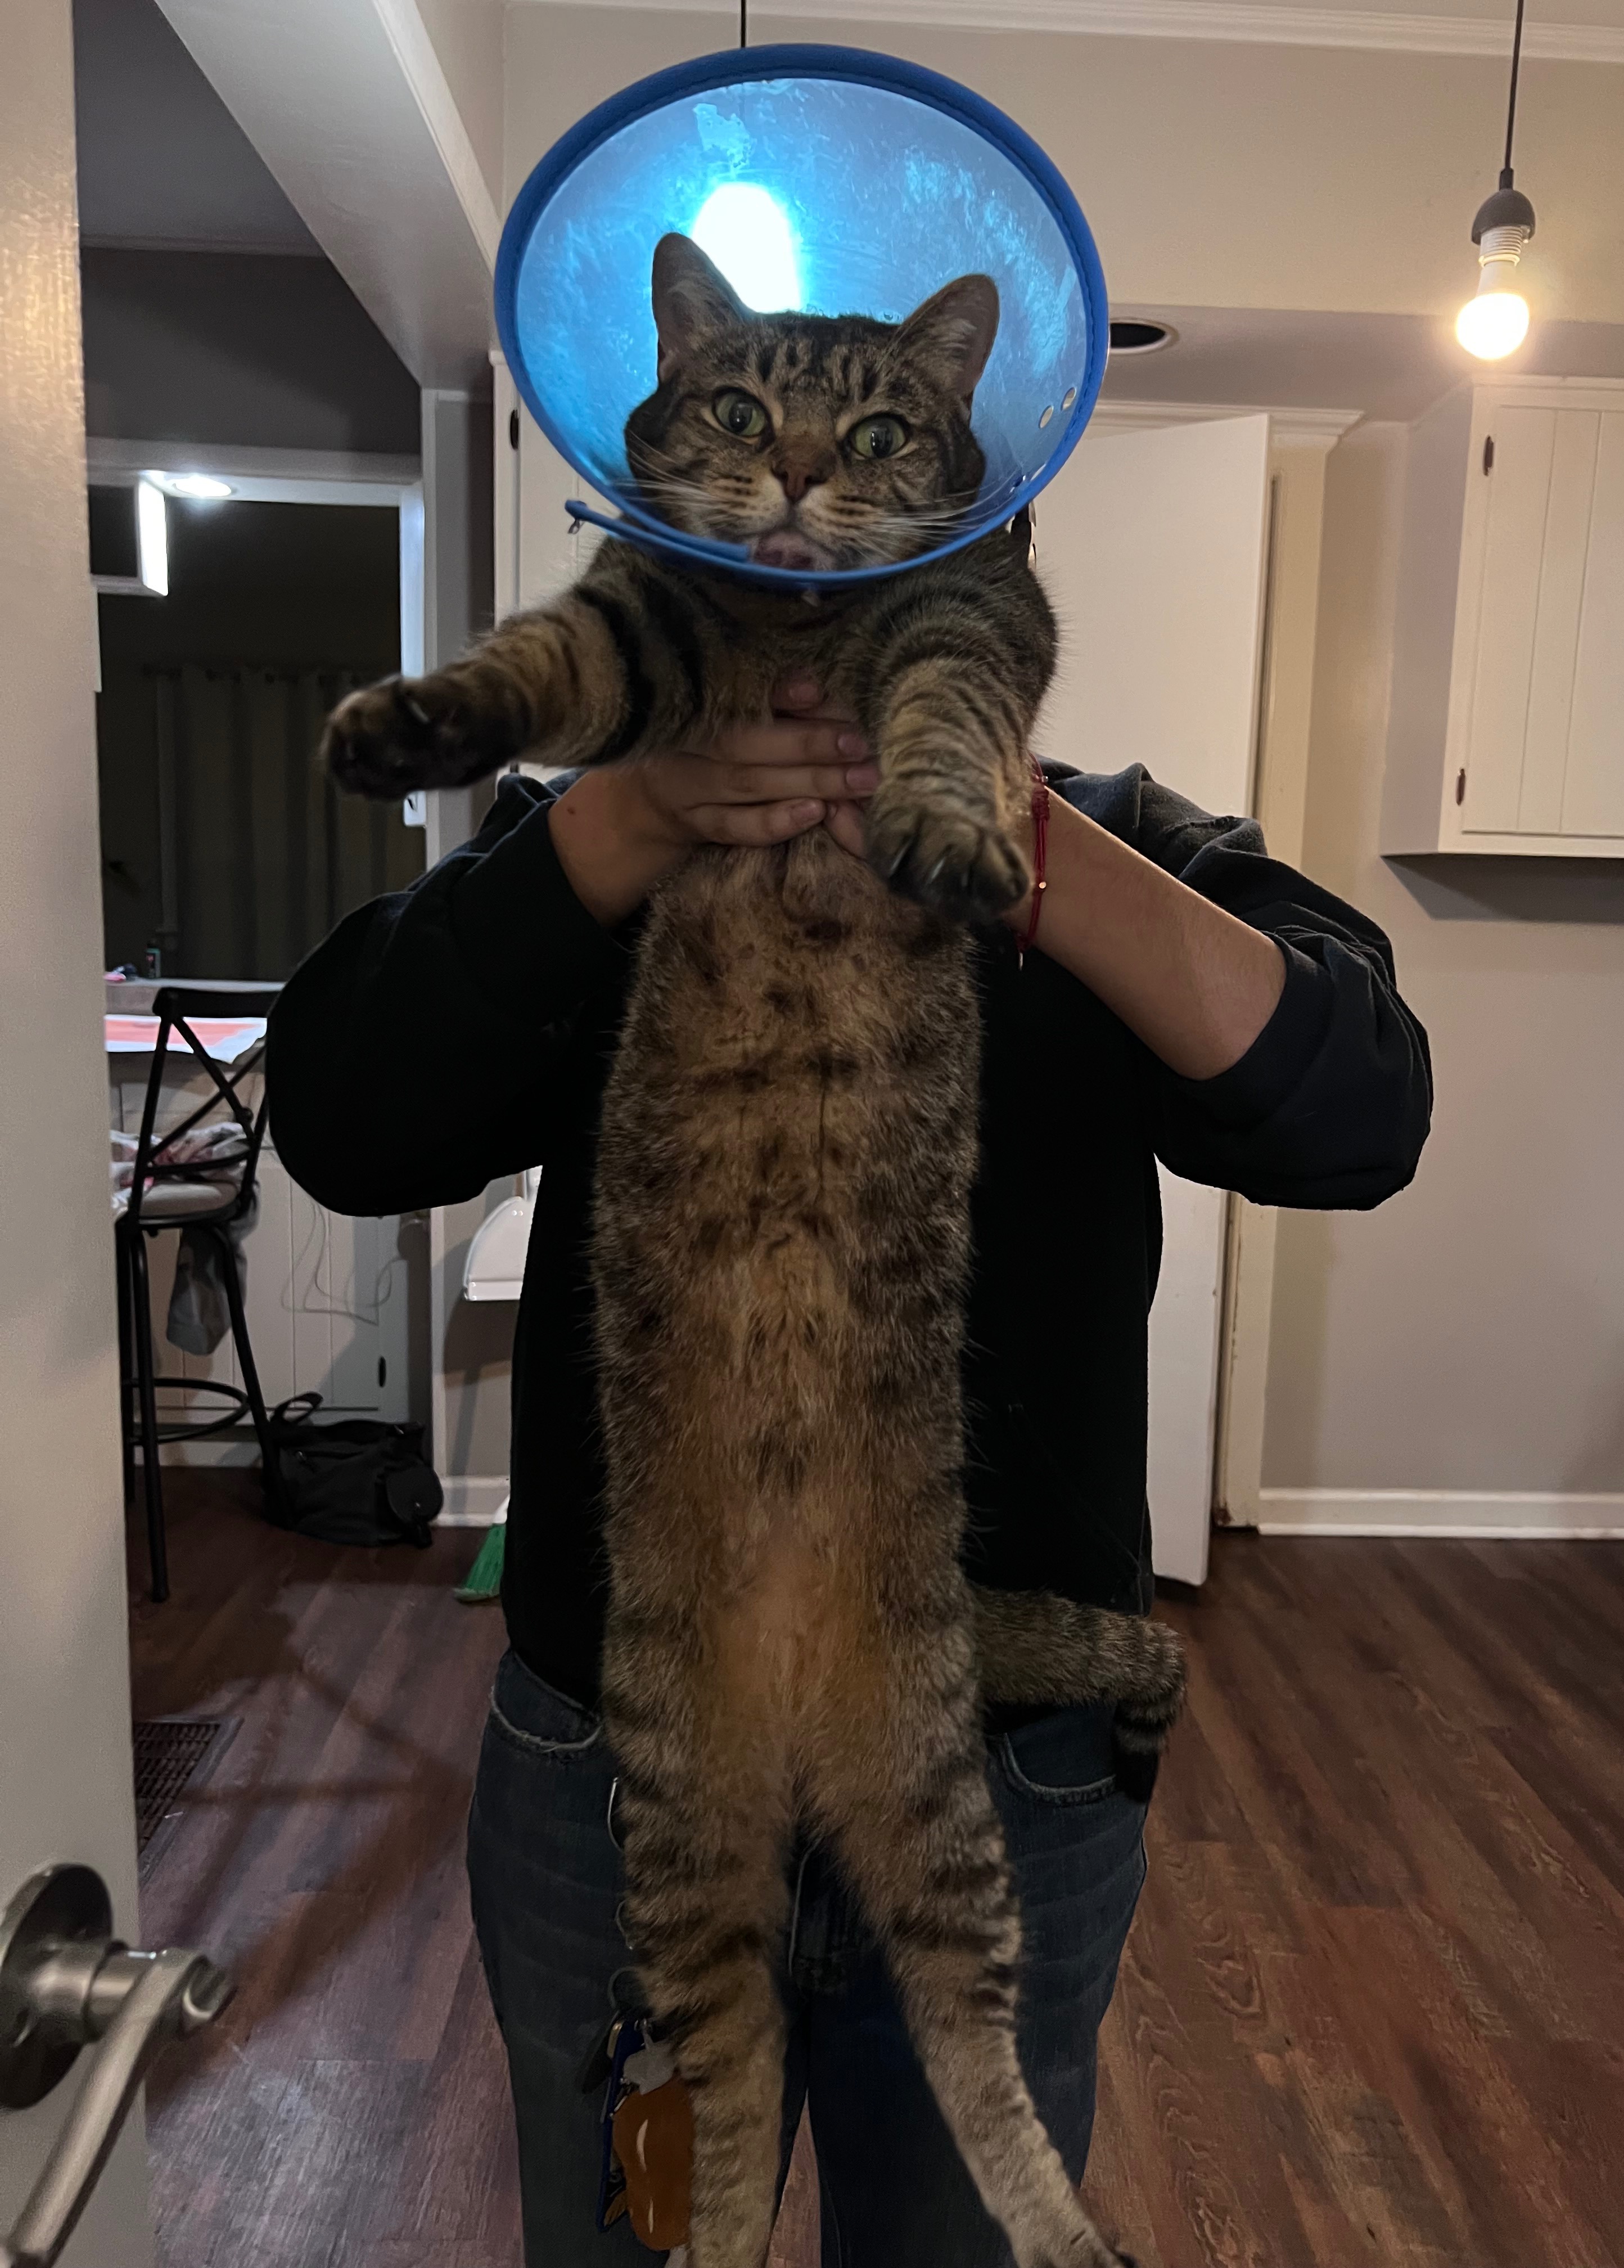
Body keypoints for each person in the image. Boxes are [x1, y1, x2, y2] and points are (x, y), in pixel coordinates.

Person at [269, 682, 1431, 2265]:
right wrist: (634, 815)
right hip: (621, 1766)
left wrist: (1025, 849)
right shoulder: (597, 837)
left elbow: (1362, 1109)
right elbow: (339, 1116)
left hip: (999, 1776)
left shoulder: (1129, 843)